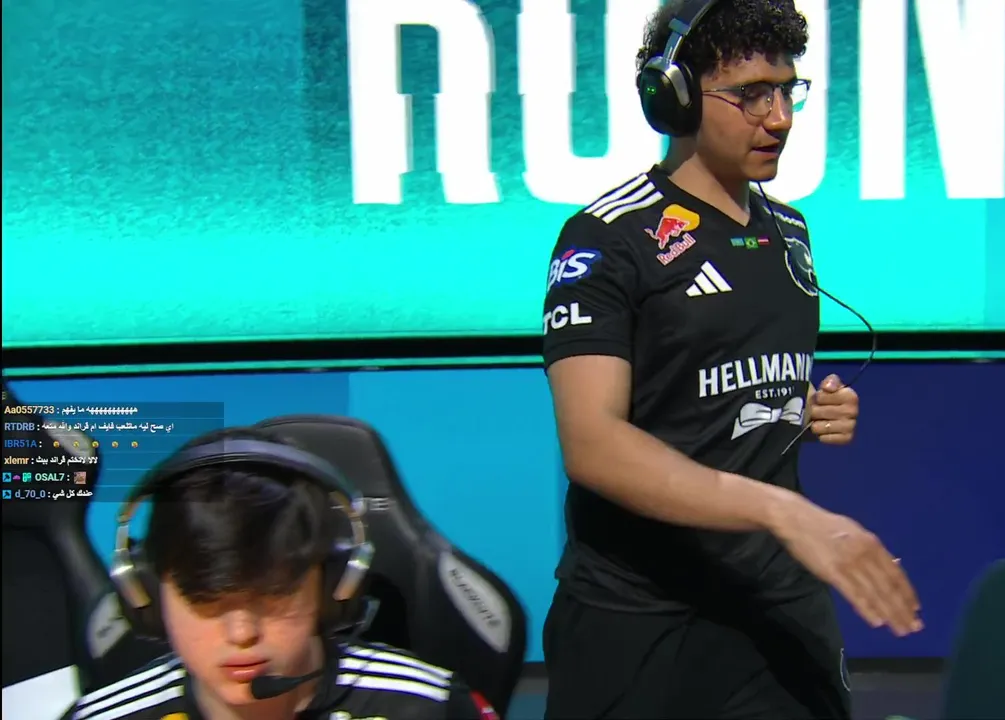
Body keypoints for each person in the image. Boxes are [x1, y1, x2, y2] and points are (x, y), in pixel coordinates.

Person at [540, 0, 920, 717]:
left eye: (788, 91)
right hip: (640, 614)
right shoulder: (605, 238)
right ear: (676, 96)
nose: (780, 118)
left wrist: (805, 411)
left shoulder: (790, 230)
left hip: (774, 602)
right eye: (751, 95)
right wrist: (785, 513)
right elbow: (592, 445)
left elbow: (720, 393)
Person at [62, 426, 497, 720]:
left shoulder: (428, 707)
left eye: (273, 595)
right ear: (147, 597)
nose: (241, 633)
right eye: (205, 601)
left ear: (332, 589)